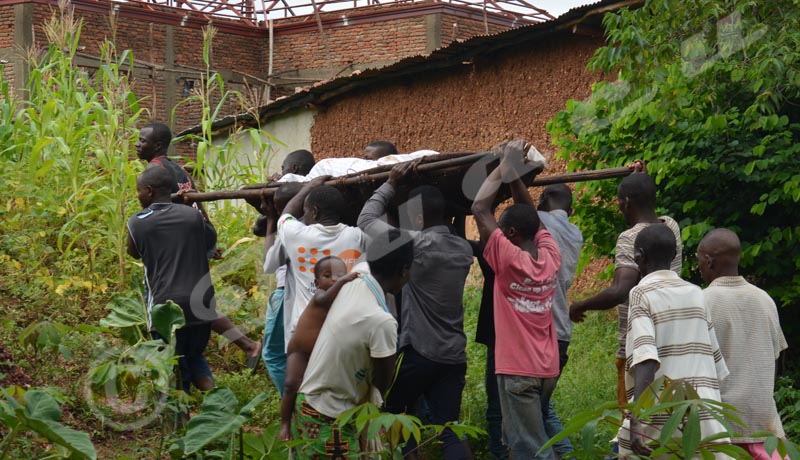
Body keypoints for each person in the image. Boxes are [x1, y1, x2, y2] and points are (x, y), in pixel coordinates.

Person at [358, 162, 474, 459]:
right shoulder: (463, 250)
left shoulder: (415, 243)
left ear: (419, 216)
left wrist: (391, 183)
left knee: (395, 414)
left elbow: (366, 219)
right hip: (453, 354)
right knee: (450, 429)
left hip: (418, 351)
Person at [135, 122, 262, 368]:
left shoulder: (156, 170)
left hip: (178, 244)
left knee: (187, 303)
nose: (138, 145)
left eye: (143, 141)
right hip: (195, 234)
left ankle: (245, 345)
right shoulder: (177, 168)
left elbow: (160, 213)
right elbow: (194, 204)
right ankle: (227, 353)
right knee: (195, 304)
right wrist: (205, 238)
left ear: (158, 145)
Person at [287, 230, 413, 459]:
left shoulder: (358, 273)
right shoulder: (380, 322)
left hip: (309, 403)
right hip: (329, 414)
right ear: (404, 270)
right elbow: (382, 381)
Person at [471, 140, 561, 459]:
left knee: (530, 448)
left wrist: (501, 165)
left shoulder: (508, 262)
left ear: (508, 233)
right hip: (546, 367)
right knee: (524, 439)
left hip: (518, 370)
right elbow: (532, 217)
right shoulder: (550, 257)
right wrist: (511, 174)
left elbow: (479, 208)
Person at [569, 170, 682, 408]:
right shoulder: (670, 227)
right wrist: (642, 175)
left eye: (620, 201)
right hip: (673, 336)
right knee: (668, 414)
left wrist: (581, 304)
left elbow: (621, 290)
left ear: (627, 202)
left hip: (637, 344)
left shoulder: (630, 238)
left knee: (634, 416)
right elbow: (645, 192)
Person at [621, 224, 729, 457]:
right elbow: (717, 366)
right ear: (674, 256)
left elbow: (646, 358)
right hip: (704, 412)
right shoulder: (696, 293)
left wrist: (637, 420)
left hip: (664, 414)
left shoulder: (641, 293)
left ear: (639, 256)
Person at [698, 228, 789, 459]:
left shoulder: (703, 301)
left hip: (722, 430)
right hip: (764, 428)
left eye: (699, 260)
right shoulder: (764, 299)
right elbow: (776, 359)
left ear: (708, 261)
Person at [126, 167, 217, 392]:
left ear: (148, 191)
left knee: (173, 367)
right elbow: (208, 239)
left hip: (165, 308)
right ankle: (219, 407)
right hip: (201, 305)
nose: (137, 196)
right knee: (195, 357)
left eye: (138, 191)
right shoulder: (193, 216)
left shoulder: (137, 222)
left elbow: (134, 253)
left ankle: (180, 421)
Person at [277, 176, 367, 342]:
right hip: (346, 330)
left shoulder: (296, 235)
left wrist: (309, 186)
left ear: (315, 212)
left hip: (306, 330)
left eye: (305, 212)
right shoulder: (357, 236)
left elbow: (286, 214)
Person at [279, 257, 358, 442]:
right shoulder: (320, 295)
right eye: (327, 275)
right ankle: (284, 423)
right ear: (316, 282)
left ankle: (311, 424)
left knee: (312, 392)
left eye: (339, 275)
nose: (333, 279)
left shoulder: (343, 300)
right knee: (291, 384)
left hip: (319, 355)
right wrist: (344, 281)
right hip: (300, 351)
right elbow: (326, 298)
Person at [537, 184, 583, 457]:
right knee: (542, 408)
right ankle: (566, 454)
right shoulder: (575, 233)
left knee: (533, 413)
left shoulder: (539, 222)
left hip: (543, 330)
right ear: (571, 210)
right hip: (562, 332)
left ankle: (565, 453)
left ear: (541, 201)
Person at [254, 182, 304, 394]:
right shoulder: (311, 225)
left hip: (286, 294)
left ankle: (292, 402)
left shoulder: (290, 230)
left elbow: (268, 263)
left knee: (273, 354)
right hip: (304, 295)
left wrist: (273, 221)